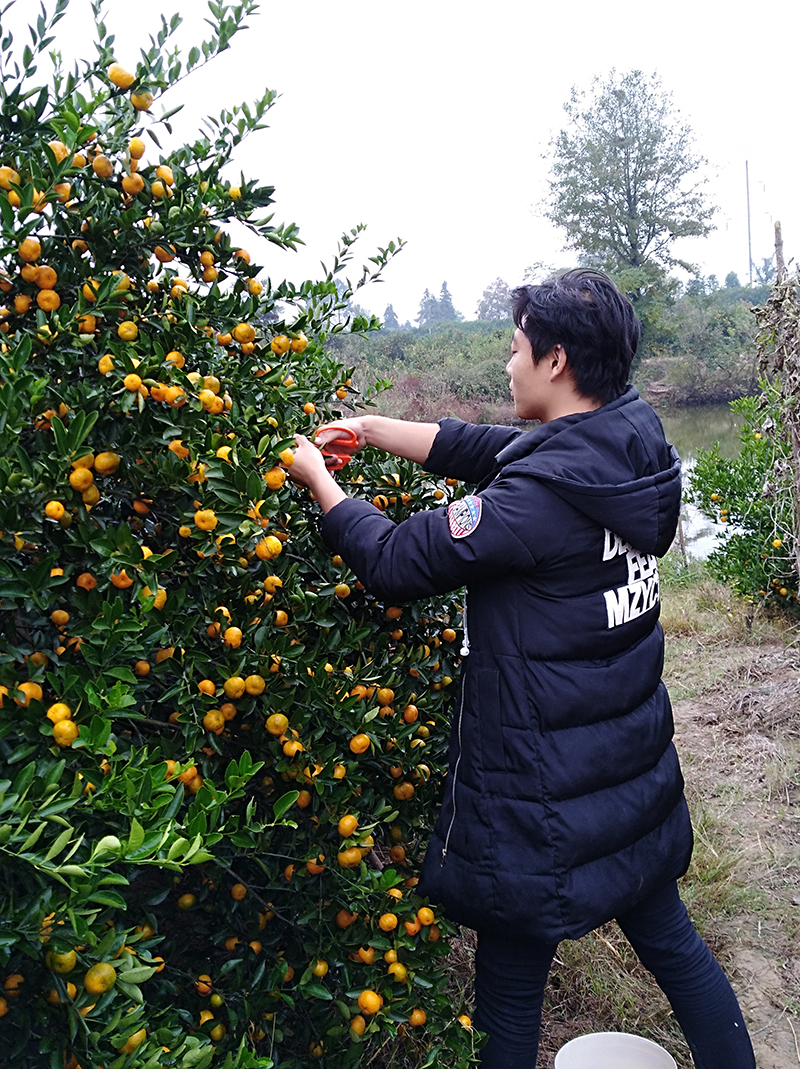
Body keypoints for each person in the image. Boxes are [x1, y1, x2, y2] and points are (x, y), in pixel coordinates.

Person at [286, 268, 755, 1068]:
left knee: (506, 990)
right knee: (675, 945)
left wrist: (320, 482)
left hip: (539, 793)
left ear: (556, 360)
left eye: (514, 350)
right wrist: (367, 427)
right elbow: (487, 448)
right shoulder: (630, 443)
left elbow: (398, 562)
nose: (506, 365)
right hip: (628, 771)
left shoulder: (538, 499)